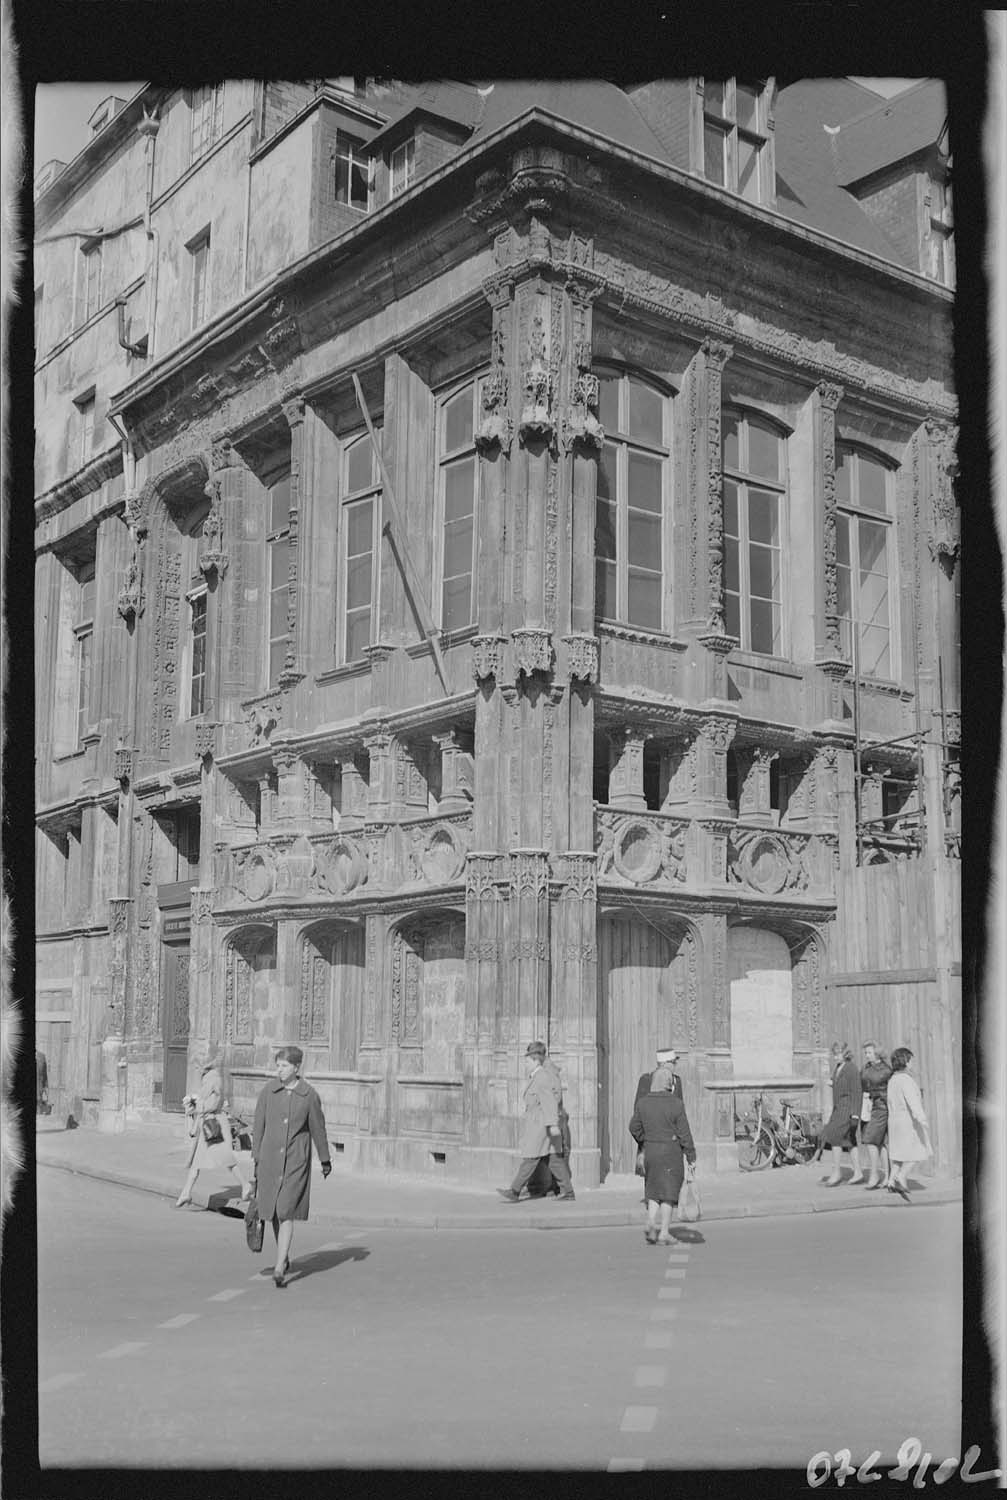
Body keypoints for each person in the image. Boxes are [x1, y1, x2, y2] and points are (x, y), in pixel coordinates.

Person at [250, 1046, 332, 1288]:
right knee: (274, 1211)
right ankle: (283, 1256)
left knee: (286, 1209)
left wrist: (325, 1158)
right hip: (269, 1162)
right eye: (278, 1066)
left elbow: (318, 1128)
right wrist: (256, 1158)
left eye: (284, 1066)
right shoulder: (268, 1092)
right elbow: (258, 1126)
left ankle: (278, 1267)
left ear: (296, 1068)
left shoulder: (309, 1096)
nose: (279, 1070)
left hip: (296, 1161)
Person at [175, 1048, 252, 1208]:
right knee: (197, 1161)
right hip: (208, 1123)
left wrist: (194, 1104)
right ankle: (186, 1193)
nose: (198, 1063)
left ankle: (245, 1185)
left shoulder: (214, 1079)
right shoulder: (208, 1078)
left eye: (201, 1060)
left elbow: (213, 1104)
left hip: (214, 1124)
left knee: (225, 1157)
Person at [629, 1067, 697, 1245]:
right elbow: (685, 1134)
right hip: (671, 1152)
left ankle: (651, 1221)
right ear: (669, 1084)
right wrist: (691, 1156)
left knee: (653, 1190)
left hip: (650, 1150)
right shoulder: (676, 1104)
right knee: (668, 1193)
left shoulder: (643, 1103)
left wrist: (645, 1140)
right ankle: (664, 1232)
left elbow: (633, 1127)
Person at [497, 1042, 572, 1203]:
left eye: (528, 1060)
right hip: (540, 1125)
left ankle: (515, 1190)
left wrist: (552, 1125)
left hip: (541, 1126)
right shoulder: (538, 1076)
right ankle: (568, 1191)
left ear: (536, 1060)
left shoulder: (542, 1077)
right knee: (553, 1160)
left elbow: (550, 1102)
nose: (526, 1063)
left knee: (530, 1159)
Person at [528, 1049, 575, 1201]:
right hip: (548, 1121)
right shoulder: (547, 1073)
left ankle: (560, 1189)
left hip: (550, 1121)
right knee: (548, 1156)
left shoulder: (548, 1074)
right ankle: (550, 1187)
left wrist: (548, 1119)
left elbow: (554, 1097)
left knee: (550, 1156)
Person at [885, 1047, 932, 1199]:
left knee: (899, 1153)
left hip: (894, 1120)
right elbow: (913, 1102)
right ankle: (902, 1176)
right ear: (905, 1062)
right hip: (907, 1121)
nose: (912, 1064)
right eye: (911, 1061)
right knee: (918, 1150)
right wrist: (922, 1119)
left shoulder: (892, 1080)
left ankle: (891, 1181)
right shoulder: (906, 1080)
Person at [820, 1041, 864, 1185]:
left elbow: (857, 1092)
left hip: (847, 1108)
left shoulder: (851, 1069)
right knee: (848, 1140)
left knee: (834, 1134)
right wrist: (833, 1082)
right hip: (838, 1107)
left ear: (845, 1053)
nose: (835, 1057)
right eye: (834, 1054)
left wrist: (855, 1114)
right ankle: (858, 1172)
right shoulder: (839, 1067)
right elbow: (838, 1082)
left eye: (838, 1054)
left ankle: (837, 1172)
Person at [860, 1040, 893, 1189]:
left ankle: (874, 1175)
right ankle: (887, 1176)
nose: (867, 1055)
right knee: (880, 1143)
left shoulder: (885, 1069)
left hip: (881, 1106)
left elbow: (874, 1082)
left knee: (870, 1139)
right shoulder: (868, 1067)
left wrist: (870, 1094)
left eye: (869, 1052)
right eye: (865, 1053)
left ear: (877, 1053)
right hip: (870, 1107)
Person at [36, 1049, 49, 1114]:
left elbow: (44, 1073)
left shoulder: (41, 1056)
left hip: (39, 1086)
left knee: (39, 1105)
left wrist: (46, 1086)